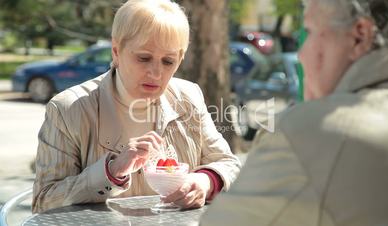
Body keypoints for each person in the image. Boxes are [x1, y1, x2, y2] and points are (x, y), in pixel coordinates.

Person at [201, 0, 388, 225]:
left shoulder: (315, 131)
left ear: (359, 36)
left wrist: (312, 114)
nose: (301, 55)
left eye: (309, 32)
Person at [32, 0, 241, 213]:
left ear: (180, 59)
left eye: (168, 61)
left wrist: (206, 181)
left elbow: (228, 164)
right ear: (116, 51)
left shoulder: (189, 96)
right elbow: (44, 201)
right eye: (144, 58)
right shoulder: (68, 109)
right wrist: (111, 171)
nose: (156, 73)